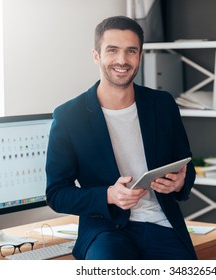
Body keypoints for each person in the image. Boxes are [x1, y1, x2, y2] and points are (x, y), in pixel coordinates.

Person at [45, 15, 197, 260]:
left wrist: (179, 182)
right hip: (106, 230)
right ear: (96, 55)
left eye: (131, 51)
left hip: (162, 224)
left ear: (140, 56)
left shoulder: (162, 104)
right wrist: (108, 195)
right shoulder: (68, 117)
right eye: (112, 50)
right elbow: (56, 194)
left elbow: (185, 167)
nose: (122, 60)